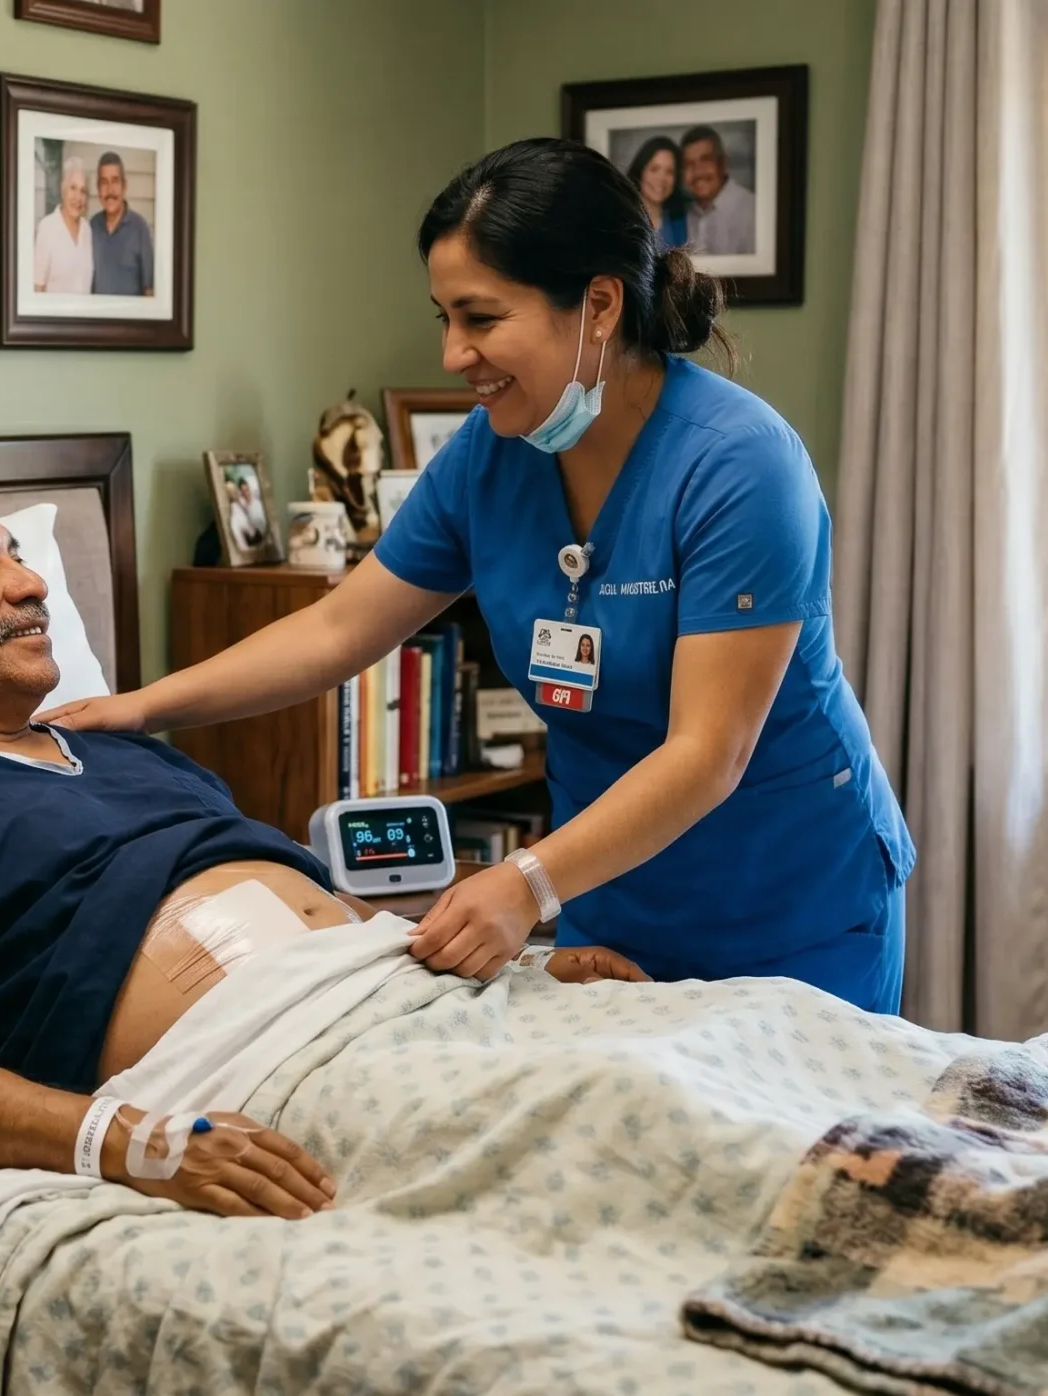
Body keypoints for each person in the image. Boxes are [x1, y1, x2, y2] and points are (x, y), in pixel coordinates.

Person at [46, 138, 915, 1012]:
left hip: (787, 897)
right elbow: (337, 629)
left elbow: (707, 752)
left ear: (600, 305)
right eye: (445, 319)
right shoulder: (490, 456)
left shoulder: (741, 466)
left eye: (482, 318)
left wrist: (526, 882)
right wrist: (142, 709)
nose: (454, 353)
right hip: (607, 888)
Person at [0, 456, 640, 1219]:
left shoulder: (122, 750)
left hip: (409, 1002)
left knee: (683, 1062)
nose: (30, 583)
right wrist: (134, 1143)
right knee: (619, 1133)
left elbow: (310, 909)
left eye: (18, 554)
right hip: (272, 1065)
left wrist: (514, 966)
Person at [681, 125, 757, 257]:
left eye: (705, 160)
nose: (698, 172)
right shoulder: (684, 214)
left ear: (723, 163)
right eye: (689, 164)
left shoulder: (752, 211)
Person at [88, 152, 153, 296]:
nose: (110, 190)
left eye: (115, 181)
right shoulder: (91, 227)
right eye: (104, 182)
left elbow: (148, 290)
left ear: (124, 186)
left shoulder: (140, 228)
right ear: (98, 188)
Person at [33, 156, 94, 295]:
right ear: (63, 189)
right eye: (73, 188)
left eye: (83, 191)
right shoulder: (47, 228)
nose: (78, 197)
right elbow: (38, 287)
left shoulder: (87, 230)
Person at [625, 135, 689, 249]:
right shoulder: (622, 220)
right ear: (640, 172)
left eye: (669, 172)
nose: (661, 179)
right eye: (654, 169)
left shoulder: (682, 222)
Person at [226, 470, 269, 550]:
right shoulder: (236, 507)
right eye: (243, 491)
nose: (246, 493)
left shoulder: (257, 503)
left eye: (247, 490)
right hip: (250, 537)